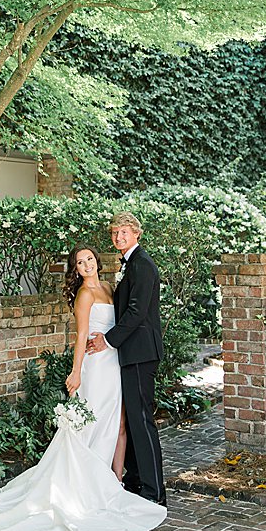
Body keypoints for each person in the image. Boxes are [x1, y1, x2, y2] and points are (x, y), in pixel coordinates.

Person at [0, 245, 166, 531]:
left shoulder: (110, 288)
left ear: (97, 261)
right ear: (75, 269)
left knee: (118, 423)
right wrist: (76, 372)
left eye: (89, 259)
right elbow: (81, 336)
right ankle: (85, 485)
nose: (86, 265)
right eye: (80, 262)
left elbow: (125, 320)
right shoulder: (84, 295)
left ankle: (115, 481)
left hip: (114, 361)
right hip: (95, 367)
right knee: (91, 423)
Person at [86, 211, 167, 505]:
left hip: (141, 353)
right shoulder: (130, 264)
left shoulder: (142, 265)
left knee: (142, 420)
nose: (118, 237)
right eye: (115, 232)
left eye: (124, 232)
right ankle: (135, 480)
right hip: (131, 352)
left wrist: (107, 340)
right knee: (132, 418)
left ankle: (154, 492)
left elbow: (136, 312)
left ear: (136, 233)